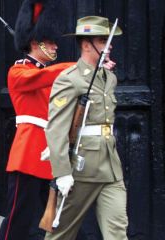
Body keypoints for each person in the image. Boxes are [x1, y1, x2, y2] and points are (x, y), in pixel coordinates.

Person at [45, 16, 128, 240]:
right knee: (60, 233)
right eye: (103, 40)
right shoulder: (69, 79)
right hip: (81, 169)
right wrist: (61, 172)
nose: (109, 45)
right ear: (85, 44)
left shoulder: (109, 78)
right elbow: (56, 129)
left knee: (117, 232)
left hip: (111, 167)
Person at [0, 1, 73, 239]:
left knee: (63, 216)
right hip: (28, 154)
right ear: (34, 42)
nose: (54, 45)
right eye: (49, 41)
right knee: (18, 219)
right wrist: (78, 66)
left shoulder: (47, 75)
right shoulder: (18, 72)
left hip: (51, 153)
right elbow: (43, 77)